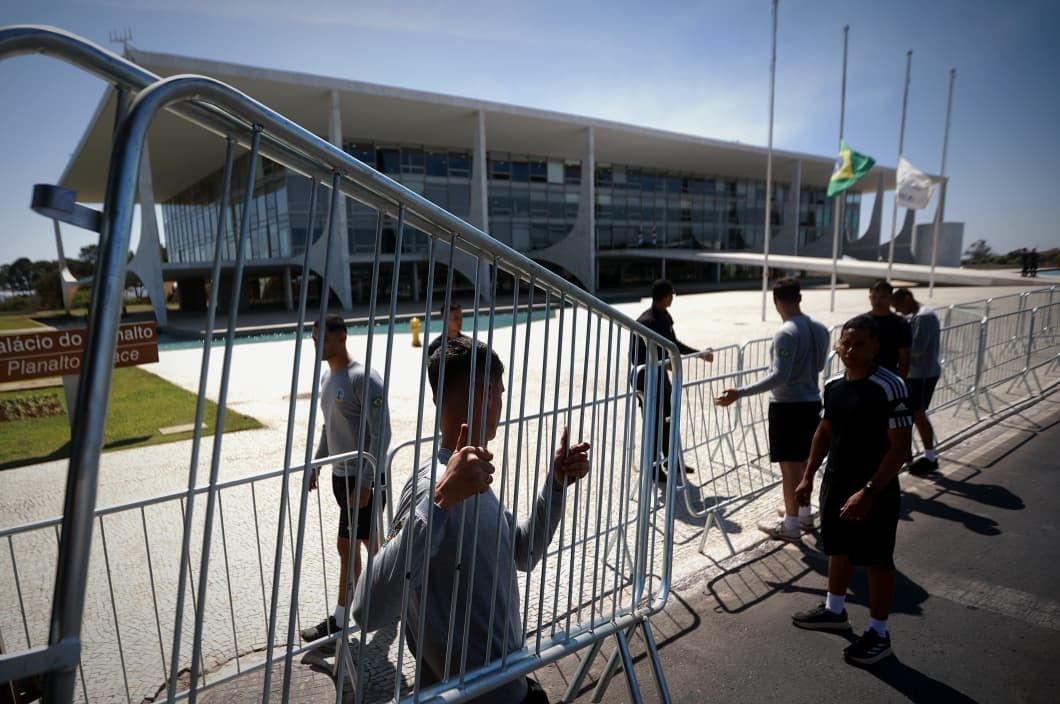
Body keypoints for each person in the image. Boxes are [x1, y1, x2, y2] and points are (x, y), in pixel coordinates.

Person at [352, 337, 591, 703]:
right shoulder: (432, 488)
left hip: (507, 682)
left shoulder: (472, 477)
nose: (501, 405)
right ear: (488, 393)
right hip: (486, 694)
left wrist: (555, 484)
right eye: (501, 394)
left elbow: (524, 551)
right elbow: (366, 609)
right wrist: (439, 501)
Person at [791, 315, 912, 666]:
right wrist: (808, 475)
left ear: (876, 346)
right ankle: (835, 610)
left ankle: (878, 633)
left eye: (860, 344)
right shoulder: (833, 385)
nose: (850, 350)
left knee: (877, 560)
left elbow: (900, 448)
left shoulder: (890, 386)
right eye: (846, 343)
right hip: (836, 482)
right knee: (837, 548)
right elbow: (824, 433)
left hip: (875, 488)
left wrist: (870, 491)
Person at [300, 315, 392, 655]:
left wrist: (367, 482)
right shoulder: (328, 377)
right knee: (371, 544)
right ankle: (396, 598)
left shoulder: (365, 379)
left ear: (341, 337)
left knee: (348, 546)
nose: (318, 346)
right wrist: (317, 464)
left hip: (362, 479)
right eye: (313, 340)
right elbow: (329, 428)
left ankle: (339, 620)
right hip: (341, 479)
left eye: (322, 339)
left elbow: (382, 433)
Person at [715, 277, 830, 541]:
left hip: (788, 406)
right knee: (804, 463)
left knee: (789, 469)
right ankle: (803, 512)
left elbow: (780, 376)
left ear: (776, 301)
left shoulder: (786, 332)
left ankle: (791, 524)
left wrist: (739, 392)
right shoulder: (821, 329)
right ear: (799, 297)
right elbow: (820, 367)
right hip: (812, 402)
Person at [629, 279, 713, 483]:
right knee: (653, 423)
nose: (673, 297)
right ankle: (653, 468)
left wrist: (699, 353)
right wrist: (660, 362)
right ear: (665, 296)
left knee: (668, 418)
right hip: (646, 378)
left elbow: (673, 346)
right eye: (672, 294)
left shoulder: (664, 316)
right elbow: (635, 356)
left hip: (660, 377)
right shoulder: (645, 322)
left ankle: (671, 461)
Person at [892, 289, 942, 475]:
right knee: (911, 414)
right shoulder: (919, 315)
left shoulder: (923, 317)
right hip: (918, 373)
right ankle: (907, 454)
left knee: (918, 413)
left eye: (898, 306)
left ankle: (930, 456)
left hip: (922, 374)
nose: (897, 310)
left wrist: (897, 348)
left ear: (907, 298)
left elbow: (918, 347)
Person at [867, 280, 911, 378]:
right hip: (863, 375)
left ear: (891, 299)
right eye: (874, 297)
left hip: (889, 376)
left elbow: (904, 358)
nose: (877, 301)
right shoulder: (861, 322)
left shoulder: (901, 324)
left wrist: (901, 383)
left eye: (882, 297)